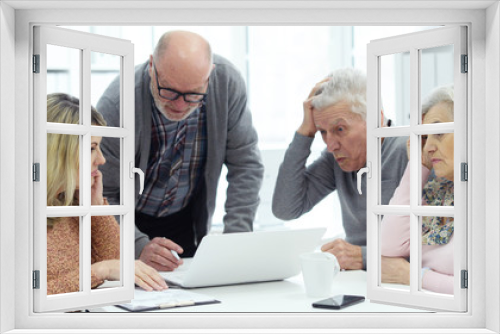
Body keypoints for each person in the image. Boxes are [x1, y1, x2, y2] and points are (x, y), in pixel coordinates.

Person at [97, 31, 264, 272]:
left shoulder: (227, 84)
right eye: (169, 91)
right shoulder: (118, 103)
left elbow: (246, 165)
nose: (179, 105)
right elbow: (104, 193)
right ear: (152, 66)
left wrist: (235, 240)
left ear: (209, 76)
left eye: (193, 95)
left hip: (185, 219)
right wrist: (136, 244)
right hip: (128, 221)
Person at [272, 68, 408, 270]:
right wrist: (305, 132)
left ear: (376, 120)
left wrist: (362, 257)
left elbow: (435, 249)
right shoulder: (336, 159)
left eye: (340, 129)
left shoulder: (409, 151)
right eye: (322, 132)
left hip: (400, 285)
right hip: (358, 280)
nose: (330, 145)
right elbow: (285, 209)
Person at [46, 93, 167, 295]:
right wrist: (100, 271)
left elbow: (119, 264)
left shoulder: (72, 203)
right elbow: (26, 296)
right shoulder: (18, 211)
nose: (101, 160)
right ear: (59, 152)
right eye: (92, 148)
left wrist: (97, 208)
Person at [381, 85, 455, 294]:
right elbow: (388, 247)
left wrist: (411, 276)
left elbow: (481, 288)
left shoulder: (487, 194)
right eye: (424, 138)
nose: (428, 148)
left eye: (438, 133)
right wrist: (417, 166)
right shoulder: (437, 190)